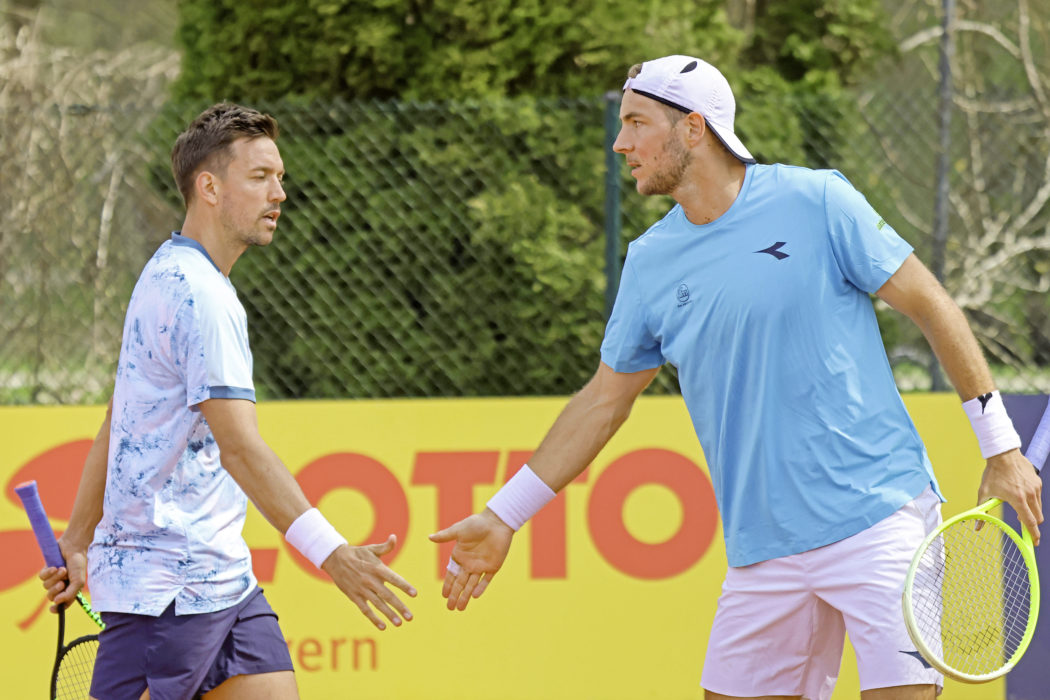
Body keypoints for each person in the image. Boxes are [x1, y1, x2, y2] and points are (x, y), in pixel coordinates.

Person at [429, 55, 1044, 700]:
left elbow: (930, 303)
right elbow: (603, 401)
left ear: (693, 129)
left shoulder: (818, 199)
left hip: (880, 517)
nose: (621, 143)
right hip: (762, 548)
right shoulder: (650, 263)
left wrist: (999, 445)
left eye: (637, 123)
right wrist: (505, 516)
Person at [38, 103, 417, 700]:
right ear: (209, 187)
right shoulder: (201, 298)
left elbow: (122, 419)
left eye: (281, 177)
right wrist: (333, 554)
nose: (280, 193)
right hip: (167, 597)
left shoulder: (163, 273)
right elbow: (240, 447)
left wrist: (80, 538)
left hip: (224, 583)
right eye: (261, 177)